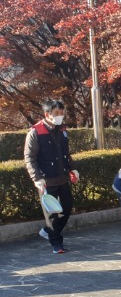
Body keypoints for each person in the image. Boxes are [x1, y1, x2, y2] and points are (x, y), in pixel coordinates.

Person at [24, 99, 79, 254]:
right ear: (47, 114)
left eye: (62, 113)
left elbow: (65, 153)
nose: (60, 116)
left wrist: (72, 169)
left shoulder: (62, 130)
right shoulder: (36, 132)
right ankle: (57, 243)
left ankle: (48, 232)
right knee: (53, 213)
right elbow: (29, 158)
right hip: (46, 180)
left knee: (67, 208)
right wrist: (37, 178)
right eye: (56, 113)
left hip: (62, 178)